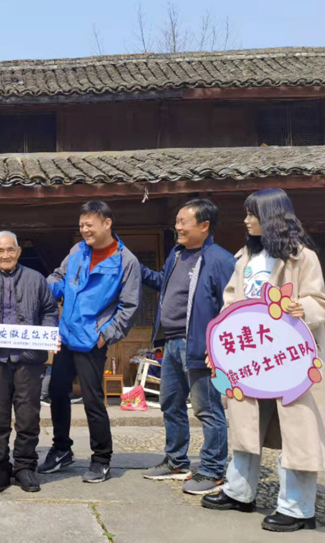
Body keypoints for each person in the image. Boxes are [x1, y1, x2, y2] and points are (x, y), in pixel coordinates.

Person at [202, 188, 325, 533]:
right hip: (250, 357)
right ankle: (239, 492)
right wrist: (219, 348)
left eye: (253, 214)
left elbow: (320, 301)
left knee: (299, 430)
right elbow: (230, 303)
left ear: (272, 217)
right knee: (245, 423)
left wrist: (301, 307)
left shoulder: (301, 257)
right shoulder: (245, 256)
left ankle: (298, 508)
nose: (246, 220)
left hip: (291, 358)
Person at [40, 201, 141, 483]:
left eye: (89, 224)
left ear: (107, 223)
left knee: (93, 400)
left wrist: (105, 336)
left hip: (92, 340)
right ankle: (62, 448)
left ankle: (101, 458)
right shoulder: (78, 251)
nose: (84, 230)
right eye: (81, 225)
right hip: (66, 335)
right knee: (57, 392)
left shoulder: (126, 261)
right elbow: (59, 277)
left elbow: (129, 306)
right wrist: (44, 287)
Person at [141, 199, 236, 495]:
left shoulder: (220, 260)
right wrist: (137, 269)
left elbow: (231, 307)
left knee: (207, 408)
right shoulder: (177, 254)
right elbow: (163, 284)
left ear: (204, 225)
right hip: (171, 342)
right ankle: (176, 461)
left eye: (184, 222)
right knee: (170, 403)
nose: (178, 227)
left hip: (199, 345)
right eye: (177, 221)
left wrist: (216, 347)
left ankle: (213, 469)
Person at [0, 231, 59, 493]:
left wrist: (48, 334)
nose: (5, 255)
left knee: (28, 416)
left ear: (18, 252)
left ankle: (25, 466)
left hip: (28, 360)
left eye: (10, 250)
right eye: (0, 251)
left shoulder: (36, 280)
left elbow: (49, 312)